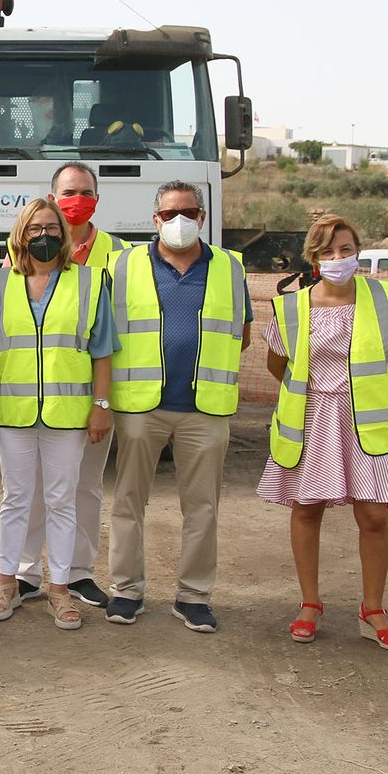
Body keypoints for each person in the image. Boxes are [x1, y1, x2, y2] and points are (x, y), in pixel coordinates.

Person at [258, 214, 388, 651]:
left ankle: (373, 609)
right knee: (307, 510)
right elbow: (278, 367)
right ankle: (310, 604)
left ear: (357, 252)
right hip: (310, 422)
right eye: (327, 252)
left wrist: (358, 392)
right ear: (313, 258)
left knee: (375, 516)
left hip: (364, 422)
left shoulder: (385, 298)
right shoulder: (291, 307)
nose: (338, 259)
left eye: (345, 250)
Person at [105, 180, 251, 633]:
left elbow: (241, 333)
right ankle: (126, 590)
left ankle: (193, 597)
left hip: (205, 408)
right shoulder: (124, 265)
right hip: (139, 407)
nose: (179, 221)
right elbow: (103, 335)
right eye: (169, 214)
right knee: (129, 502)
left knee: (202, 507)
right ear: (155, 219)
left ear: (203, 217)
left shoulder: (229, 266)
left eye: (188, 212)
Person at [0, 198, 117, 631]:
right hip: (13, 412)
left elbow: (103, 350)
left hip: (68, 413)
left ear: (64, 233)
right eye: (34, 228)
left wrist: (101, 407)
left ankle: (59, 589)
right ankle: (7, 583)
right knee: (15, 499)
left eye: (51, 228)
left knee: (61, 500)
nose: (44, 236)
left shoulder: (88, 283)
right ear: (20, 234)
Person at [13, 162, 128, 608]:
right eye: (67, 191)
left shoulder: (119, 255)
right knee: (32, 487)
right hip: (36, 397)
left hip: (88, 397)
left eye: (85, 190)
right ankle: (26, 573)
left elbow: (111, 335)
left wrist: (103, 400)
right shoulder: (21, 252)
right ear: (52, 197)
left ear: (97, 197)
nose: (76, 198)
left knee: (85, 486)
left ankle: (77, 573)